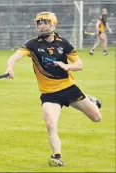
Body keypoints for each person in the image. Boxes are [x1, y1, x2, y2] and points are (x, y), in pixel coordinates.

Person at [6, 12, 102, 167]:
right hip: (49, 94)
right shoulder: (32, 44)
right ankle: (56, 156)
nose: (41, 26)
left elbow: (79, 65)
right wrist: (10, 68)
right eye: (39, 23)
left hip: (69, 89)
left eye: (45, 23)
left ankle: (87, 98)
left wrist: (66, 66)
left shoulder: (64, 44)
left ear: (53, 25)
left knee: (97, 117)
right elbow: (14, 57)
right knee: (50, 123)